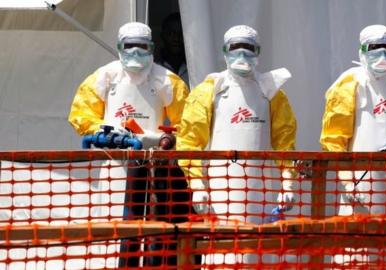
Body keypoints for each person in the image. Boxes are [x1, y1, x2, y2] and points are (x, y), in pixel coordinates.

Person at [68, 22, 189, 267]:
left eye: (142, 47)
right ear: (119, 47)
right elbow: (81, 114)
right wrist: (104, 134)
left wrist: (164, 138)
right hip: (116, 164)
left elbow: (187, 121)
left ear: (152, 47)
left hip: (155, 164)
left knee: (155, 229)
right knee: (115, 227)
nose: (135, 52)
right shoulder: (105, 76)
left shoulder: (167, 80)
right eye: (129, 46)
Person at [177, 25, 298, 267]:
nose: (242, 55)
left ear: (258, 52)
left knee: (261, 250)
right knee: (223, 251)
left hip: (262, 189)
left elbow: (285, 143)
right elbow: (190, 141)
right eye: (235, 48)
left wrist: (288, 183)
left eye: (249, 49)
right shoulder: (209, 91)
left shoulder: (272, 93)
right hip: (222, 189)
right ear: (225, 51)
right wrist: (197, 184)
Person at [319, 24, 386, 265]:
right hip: (359, 182)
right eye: (375, 49)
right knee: (355, 248)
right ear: (362, 51)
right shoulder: (349, 83)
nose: (382, 56)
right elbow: (333, 139)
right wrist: (348, 182)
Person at [153, 12, 189, 86]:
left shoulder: (194, 66)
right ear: (162, 36)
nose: (176, 38)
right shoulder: (153, 66)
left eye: (181, 34)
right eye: (171, 33)